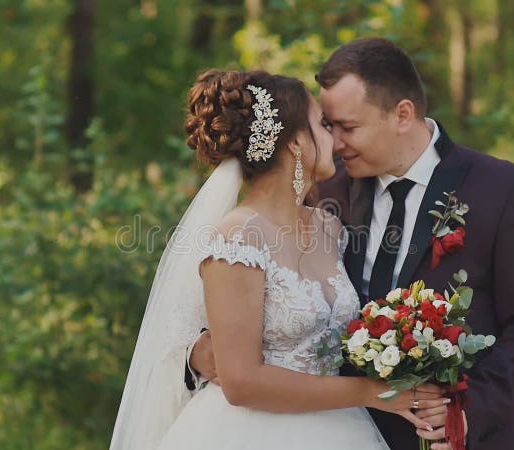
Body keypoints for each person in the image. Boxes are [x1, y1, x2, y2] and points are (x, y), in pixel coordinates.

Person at [190, 38, 514, 450]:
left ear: (402, 115)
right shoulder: (322, 191)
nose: (334, 141)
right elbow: (255, 305)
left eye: (347, 127)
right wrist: (199, 356)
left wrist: (467, 412)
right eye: (327, 126)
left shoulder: (502, 189)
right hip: (327, 430)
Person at [109, 69, 455, 450]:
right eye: (323, 126)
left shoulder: (331, 227)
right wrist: (370, 392)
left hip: (341, 429)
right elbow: (240, 383)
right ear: (294, 143)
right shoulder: (238, 238)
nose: (335, 139)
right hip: (250, 433)